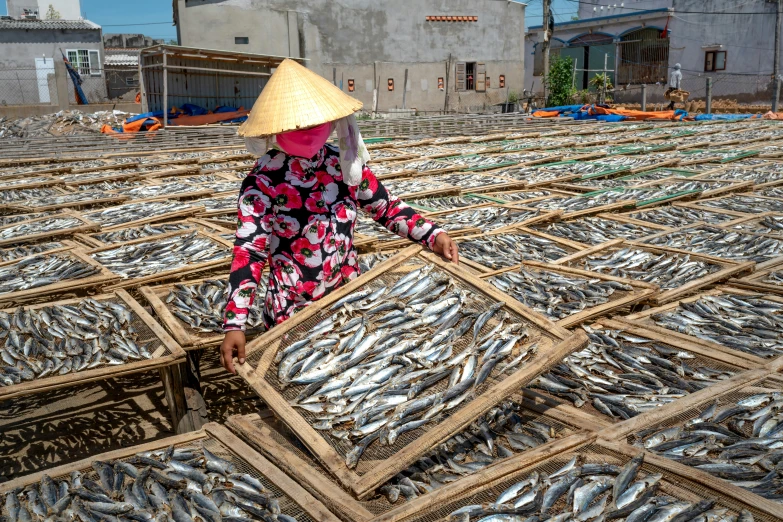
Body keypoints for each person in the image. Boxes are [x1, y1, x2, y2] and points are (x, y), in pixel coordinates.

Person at [219, 59, 459, 374]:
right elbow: (249, 249)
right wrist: (235, 322)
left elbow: (385, 207)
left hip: (348, 298)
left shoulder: (344, 164)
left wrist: (432, 234)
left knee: (352, 375)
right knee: (303, 380)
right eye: (296, 124)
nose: (305, 130)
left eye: (312, 122)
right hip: (292, 313)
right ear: (277, 128)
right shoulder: (262, 180)